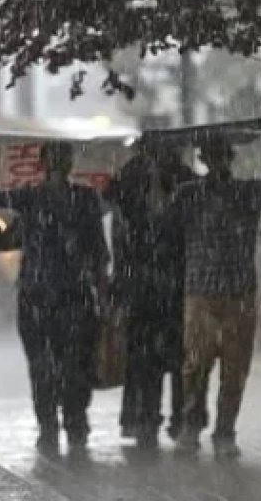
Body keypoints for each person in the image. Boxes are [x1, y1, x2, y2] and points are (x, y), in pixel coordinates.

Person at [0, 141, 109, 458]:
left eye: (64, 157)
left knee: (75, 365)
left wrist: (102, 295)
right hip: (37, 296)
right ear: (45, 162)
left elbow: (98, 254)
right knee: (42, 367)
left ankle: (75, 423)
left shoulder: (85, 199)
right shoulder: (30, 197)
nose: (60, 163)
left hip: (74, 296)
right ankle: (49, 426)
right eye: (55, 157)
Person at [167, 130, 261, 459]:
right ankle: (191, 426)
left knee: (234, 369)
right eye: (211, 155)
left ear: (229, 158)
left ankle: (225, 431)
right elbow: (163, 222)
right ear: (205, 159)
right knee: (195, 367)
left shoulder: (246, 192)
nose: (217, 162)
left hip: (238, 293)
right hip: (201, 292)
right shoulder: (188, 194)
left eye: (222, 155)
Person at [106, 140, 199, 449]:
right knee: (147, 357)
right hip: (146, 284)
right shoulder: (133, 178)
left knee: (176, 356)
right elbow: (117, 211)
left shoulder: (183, 178)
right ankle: (148, 418)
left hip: (171, 282)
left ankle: (177, 418)